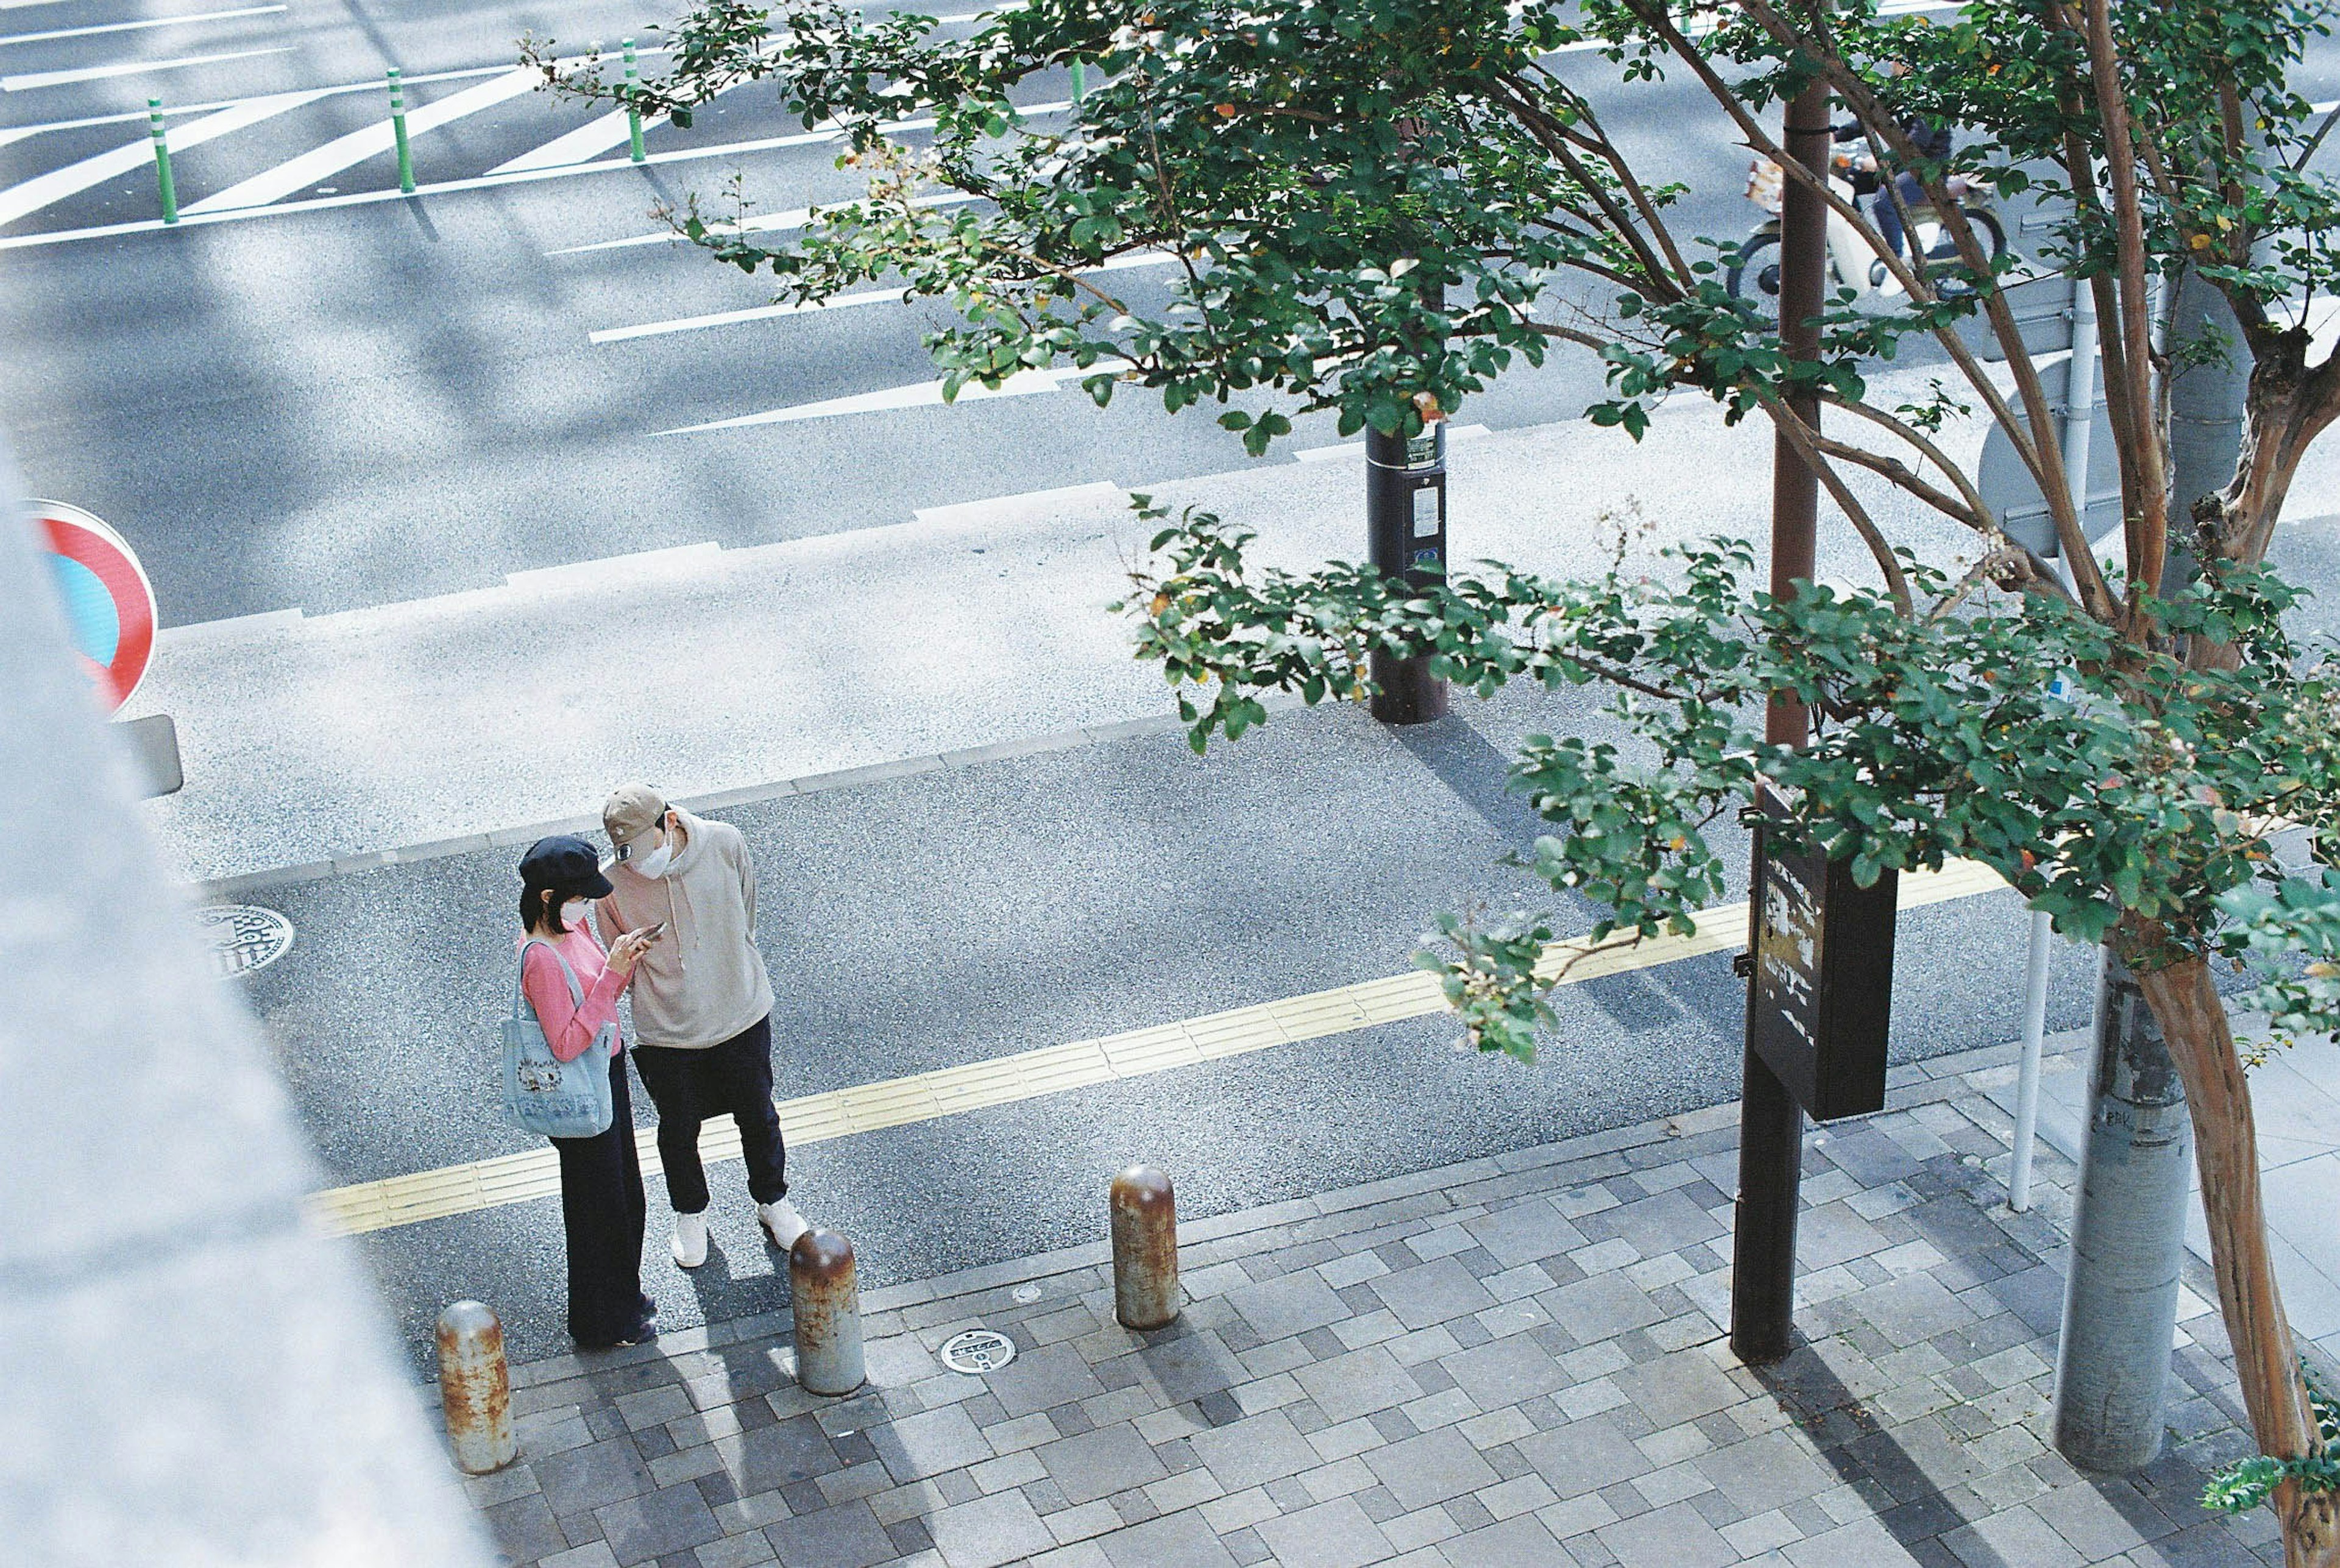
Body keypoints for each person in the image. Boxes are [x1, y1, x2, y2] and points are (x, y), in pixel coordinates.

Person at [598, 784, 809, 1268]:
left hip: (741, 1010)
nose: (636, 865)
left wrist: (731, 962)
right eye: (626, 855)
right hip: (666, 1030)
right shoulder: (611, 884)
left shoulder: (725, 841)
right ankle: (690, 1212)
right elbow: (619, 961)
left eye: (643, 850)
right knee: (677, 1130)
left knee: (758, 1115)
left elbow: (746, 909)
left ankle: (773, 1200)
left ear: (669, 823)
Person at [517, 835, 661, 1348]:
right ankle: (602, 1322)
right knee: (599, 1211)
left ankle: (623, 1294)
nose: (589, 904)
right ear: (552, 897)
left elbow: (600, 1000)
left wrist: (621, 964)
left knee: (626, 1199)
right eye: (580, 896)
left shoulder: (571, 932)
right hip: (581, 1083)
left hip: (605, 1073)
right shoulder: (540, 957)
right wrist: (613, 976)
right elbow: (565, 1042)